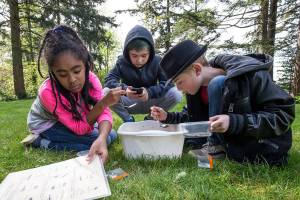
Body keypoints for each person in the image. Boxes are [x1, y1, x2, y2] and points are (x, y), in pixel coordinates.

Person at [151, 40, 295, 165]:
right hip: (234, 149)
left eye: (179, 82)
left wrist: (234, 122)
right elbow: (195, 118)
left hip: (264, 148)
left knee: (217, 83)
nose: (179, 89)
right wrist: (167, 117)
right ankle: (215, 147)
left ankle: (215, 146)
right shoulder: (197, 90)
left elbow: (283, 115)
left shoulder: (251, 74)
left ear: (197, 69)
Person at [23, 25, 126, 163]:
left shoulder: (92, 79)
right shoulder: (48, 92)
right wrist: (103, 104)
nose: (72, 80)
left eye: (77, 71)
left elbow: (103, 113)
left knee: (109, 134)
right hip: (47, 123)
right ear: (53, 73)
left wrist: (101, 138)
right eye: (62, 74)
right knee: (103, 139)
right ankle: (40, 141)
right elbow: (79, 128)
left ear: (85, 65)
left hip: (70, 119)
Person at [104, 25, 182, 122]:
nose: (139, 60)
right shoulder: (122, 61)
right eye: (134, 56)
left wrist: (149, 92)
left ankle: (150, 118)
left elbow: (168, 83)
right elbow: (109, 80)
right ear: (128, 53)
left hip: (151, 101)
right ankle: (128, 120)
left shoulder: (157, 60)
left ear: (150, 53)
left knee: (176, 93)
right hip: (129, 102)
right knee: (105, 93)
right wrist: (125, 90)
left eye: (144, 55)